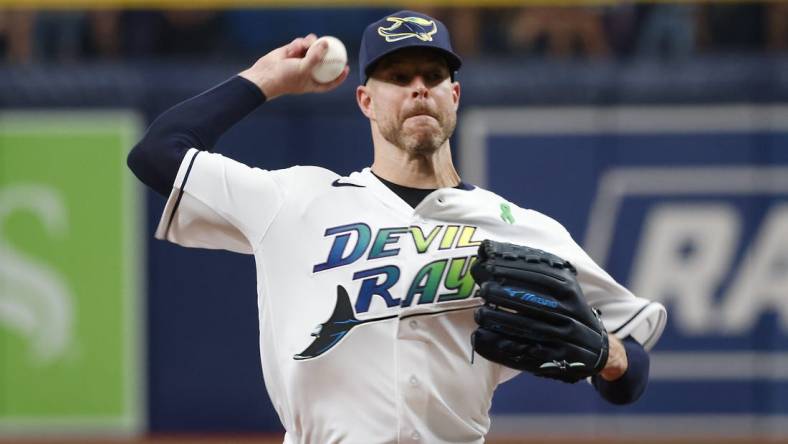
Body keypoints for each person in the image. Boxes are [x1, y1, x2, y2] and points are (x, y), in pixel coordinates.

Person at [128, 10, 666, 443]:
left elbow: (632, 369)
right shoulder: (294, 199)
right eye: (397, 76)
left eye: (433, 76)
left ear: (454, 96)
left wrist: (610, 357)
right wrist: (265, 80)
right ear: (365, 99)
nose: (418, 88)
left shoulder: (522, 229)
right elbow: (157, 153)